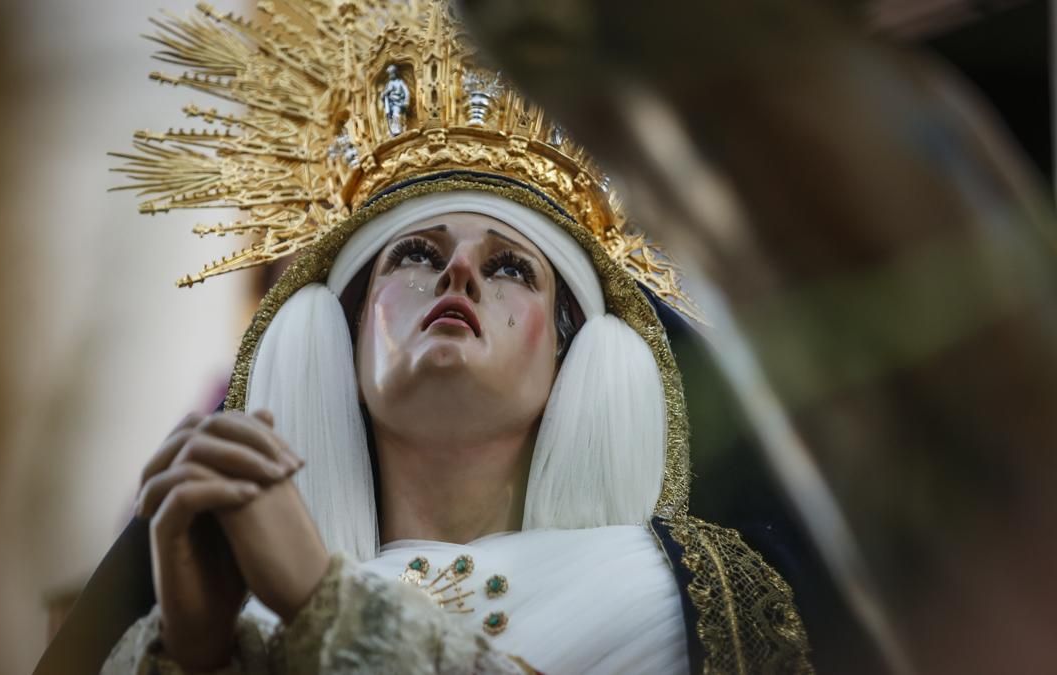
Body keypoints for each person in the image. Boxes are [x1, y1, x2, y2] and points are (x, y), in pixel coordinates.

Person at [78, 1, 820, 673]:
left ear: (569, 355)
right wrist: (195, 655)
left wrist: (328, 607)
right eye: (417, 254)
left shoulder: (693, 604)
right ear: (348, 331)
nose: (460, 270)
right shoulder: (233, 620)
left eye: (510, 268)